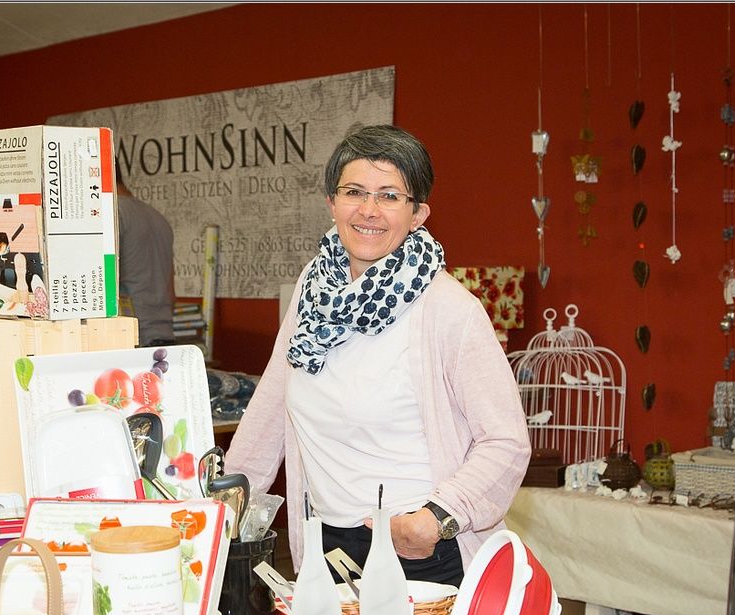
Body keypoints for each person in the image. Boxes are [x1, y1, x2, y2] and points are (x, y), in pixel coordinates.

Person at [224, 125, 531, 587]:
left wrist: (435, 519)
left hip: (418, 549)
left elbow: (506, 441)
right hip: (325, 545)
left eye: (389, 196)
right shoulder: (313, 291)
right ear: (332, 202)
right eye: (354, 192)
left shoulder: (449, 310)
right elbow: (271, 404)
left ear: (417, 214)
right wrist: (227, 506)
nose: (368, 210)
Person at [115, 161, 176, 346]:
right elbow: (170, 290)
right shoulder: (158, 218)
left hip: (132, 339)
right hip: (164, 333)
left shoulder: (113, 215)